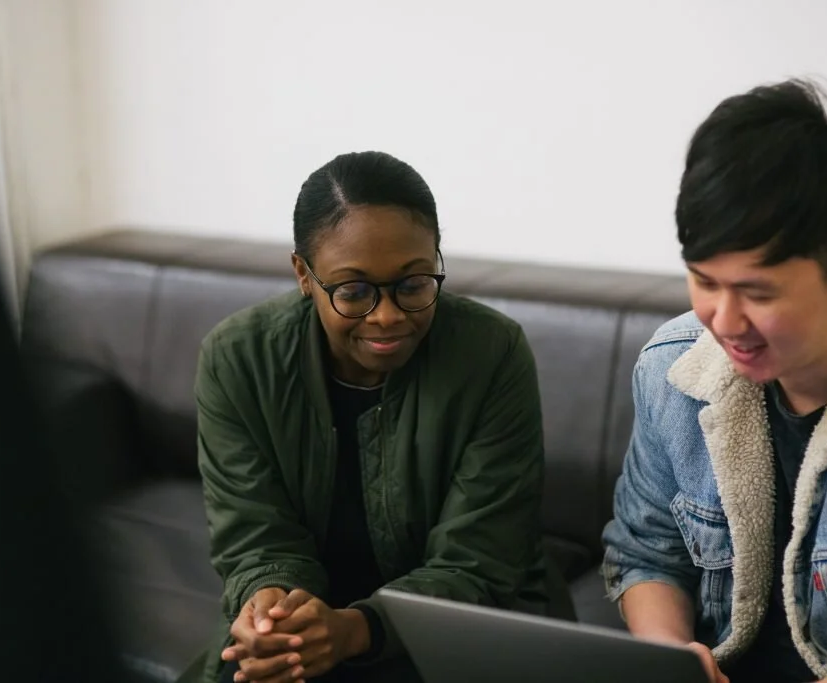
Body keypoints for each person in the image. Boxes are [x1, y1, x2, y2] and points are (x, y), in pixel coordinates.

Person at [602, 79, 827, 683]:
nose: (723, 320)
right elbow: (646, 553)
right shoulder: (672, 368)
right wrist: (671, 655)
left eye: (759, 293)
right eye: (704, 282)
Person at [181, 151, 563, 683]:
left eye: (413, 284)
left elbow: (478, 562)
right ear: (304, 275)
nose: (387, 316)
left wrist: (353, 630)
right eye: (354, 291)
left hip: (458, 626)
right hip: (311, 627)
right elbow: (255, 537)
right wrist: (271, 611)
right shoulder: (238, 358)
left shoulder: (491, 353)